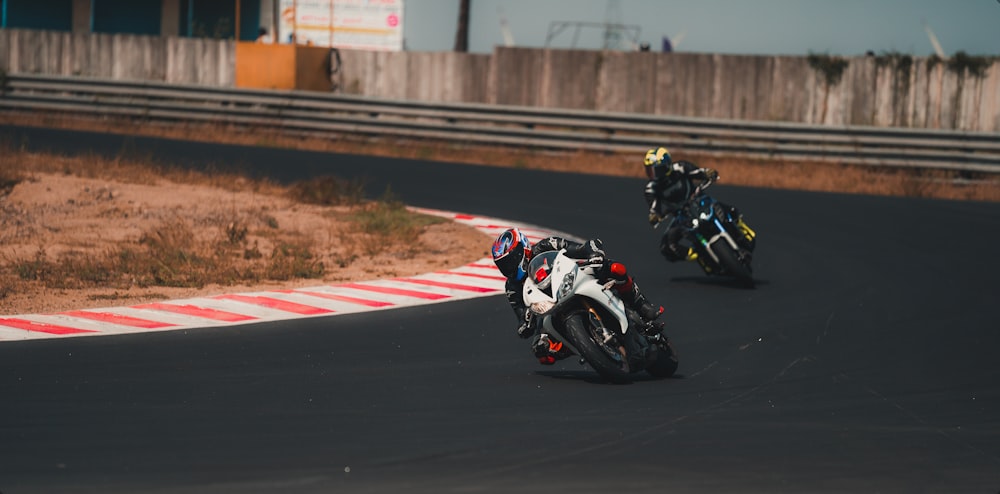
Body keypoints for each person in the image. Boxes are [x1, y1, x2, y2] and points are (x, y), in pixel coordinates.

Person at [491, 228, 664, 365]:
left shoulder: (545, 246)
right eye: (503, 265)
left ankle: (642, 305)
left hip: (575, 278)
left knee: (616, 269)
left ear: (523, 249)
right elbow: (521, 319)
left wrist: (594, 254)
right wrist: (525, 323)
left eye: (510, 260)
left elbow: (582, 247)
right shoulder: (512, 287)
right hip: (550, 307)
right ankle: (585, 348)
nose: (509, 267)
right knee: (543, 353)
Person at [642, 147, 722, 262]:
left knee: (723, 209)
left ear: (666, 166)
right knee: (666, 247)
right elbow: (654, 207)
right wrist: (654, 216)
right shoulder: (650, 188)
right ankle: (701, 256)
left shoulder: (680, 167)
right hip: (681, 215)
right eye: (649, 170)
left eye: (655, 170)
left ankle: (738, 223)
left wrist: (708, 173)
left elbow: (698, 172)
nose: (652, 174)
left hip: (698, 201)